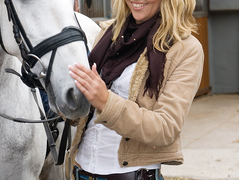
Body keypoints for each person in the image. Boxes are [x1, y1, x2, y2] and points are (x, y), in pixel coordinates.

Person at [68, 0, 204, 179]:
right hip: (81, 172)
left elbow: (166, 127)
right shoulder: (108, 32)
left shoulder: (186, 49)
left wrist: (106, 102)